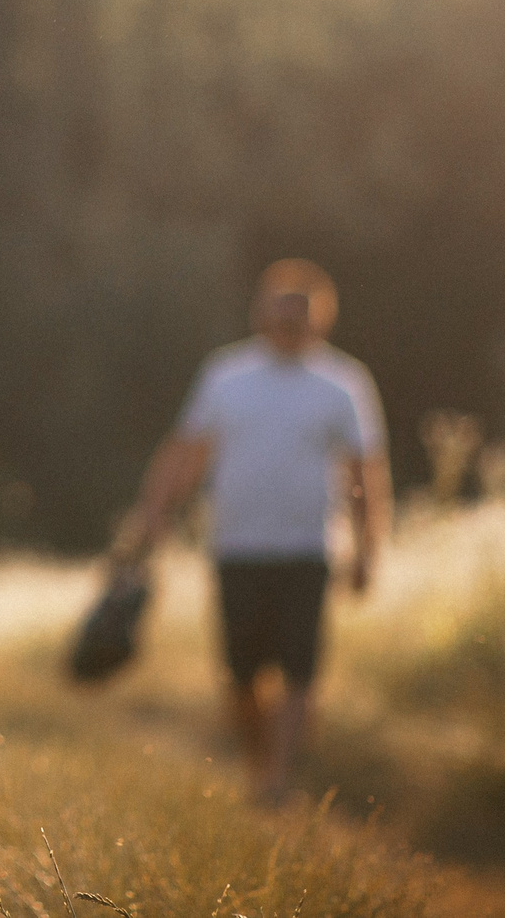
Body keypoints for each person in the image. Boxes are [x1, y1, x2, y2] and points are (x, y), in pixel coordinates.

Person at [111, 258, 390, 806]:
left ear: (321, 320)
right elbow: (187, 453)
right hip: (235, 547)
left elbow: (365, 474)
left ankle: (276, 781)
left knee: (300, 673)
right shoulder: (226, 377)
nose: (290, 326)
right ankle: (261, 764)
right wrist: (154, 514)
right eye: (281, 315)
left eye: (302, 317)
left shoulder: (344, 385)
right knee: (240, 675)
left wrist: (367, 550)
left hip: (308, 550)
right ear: (262, 316)